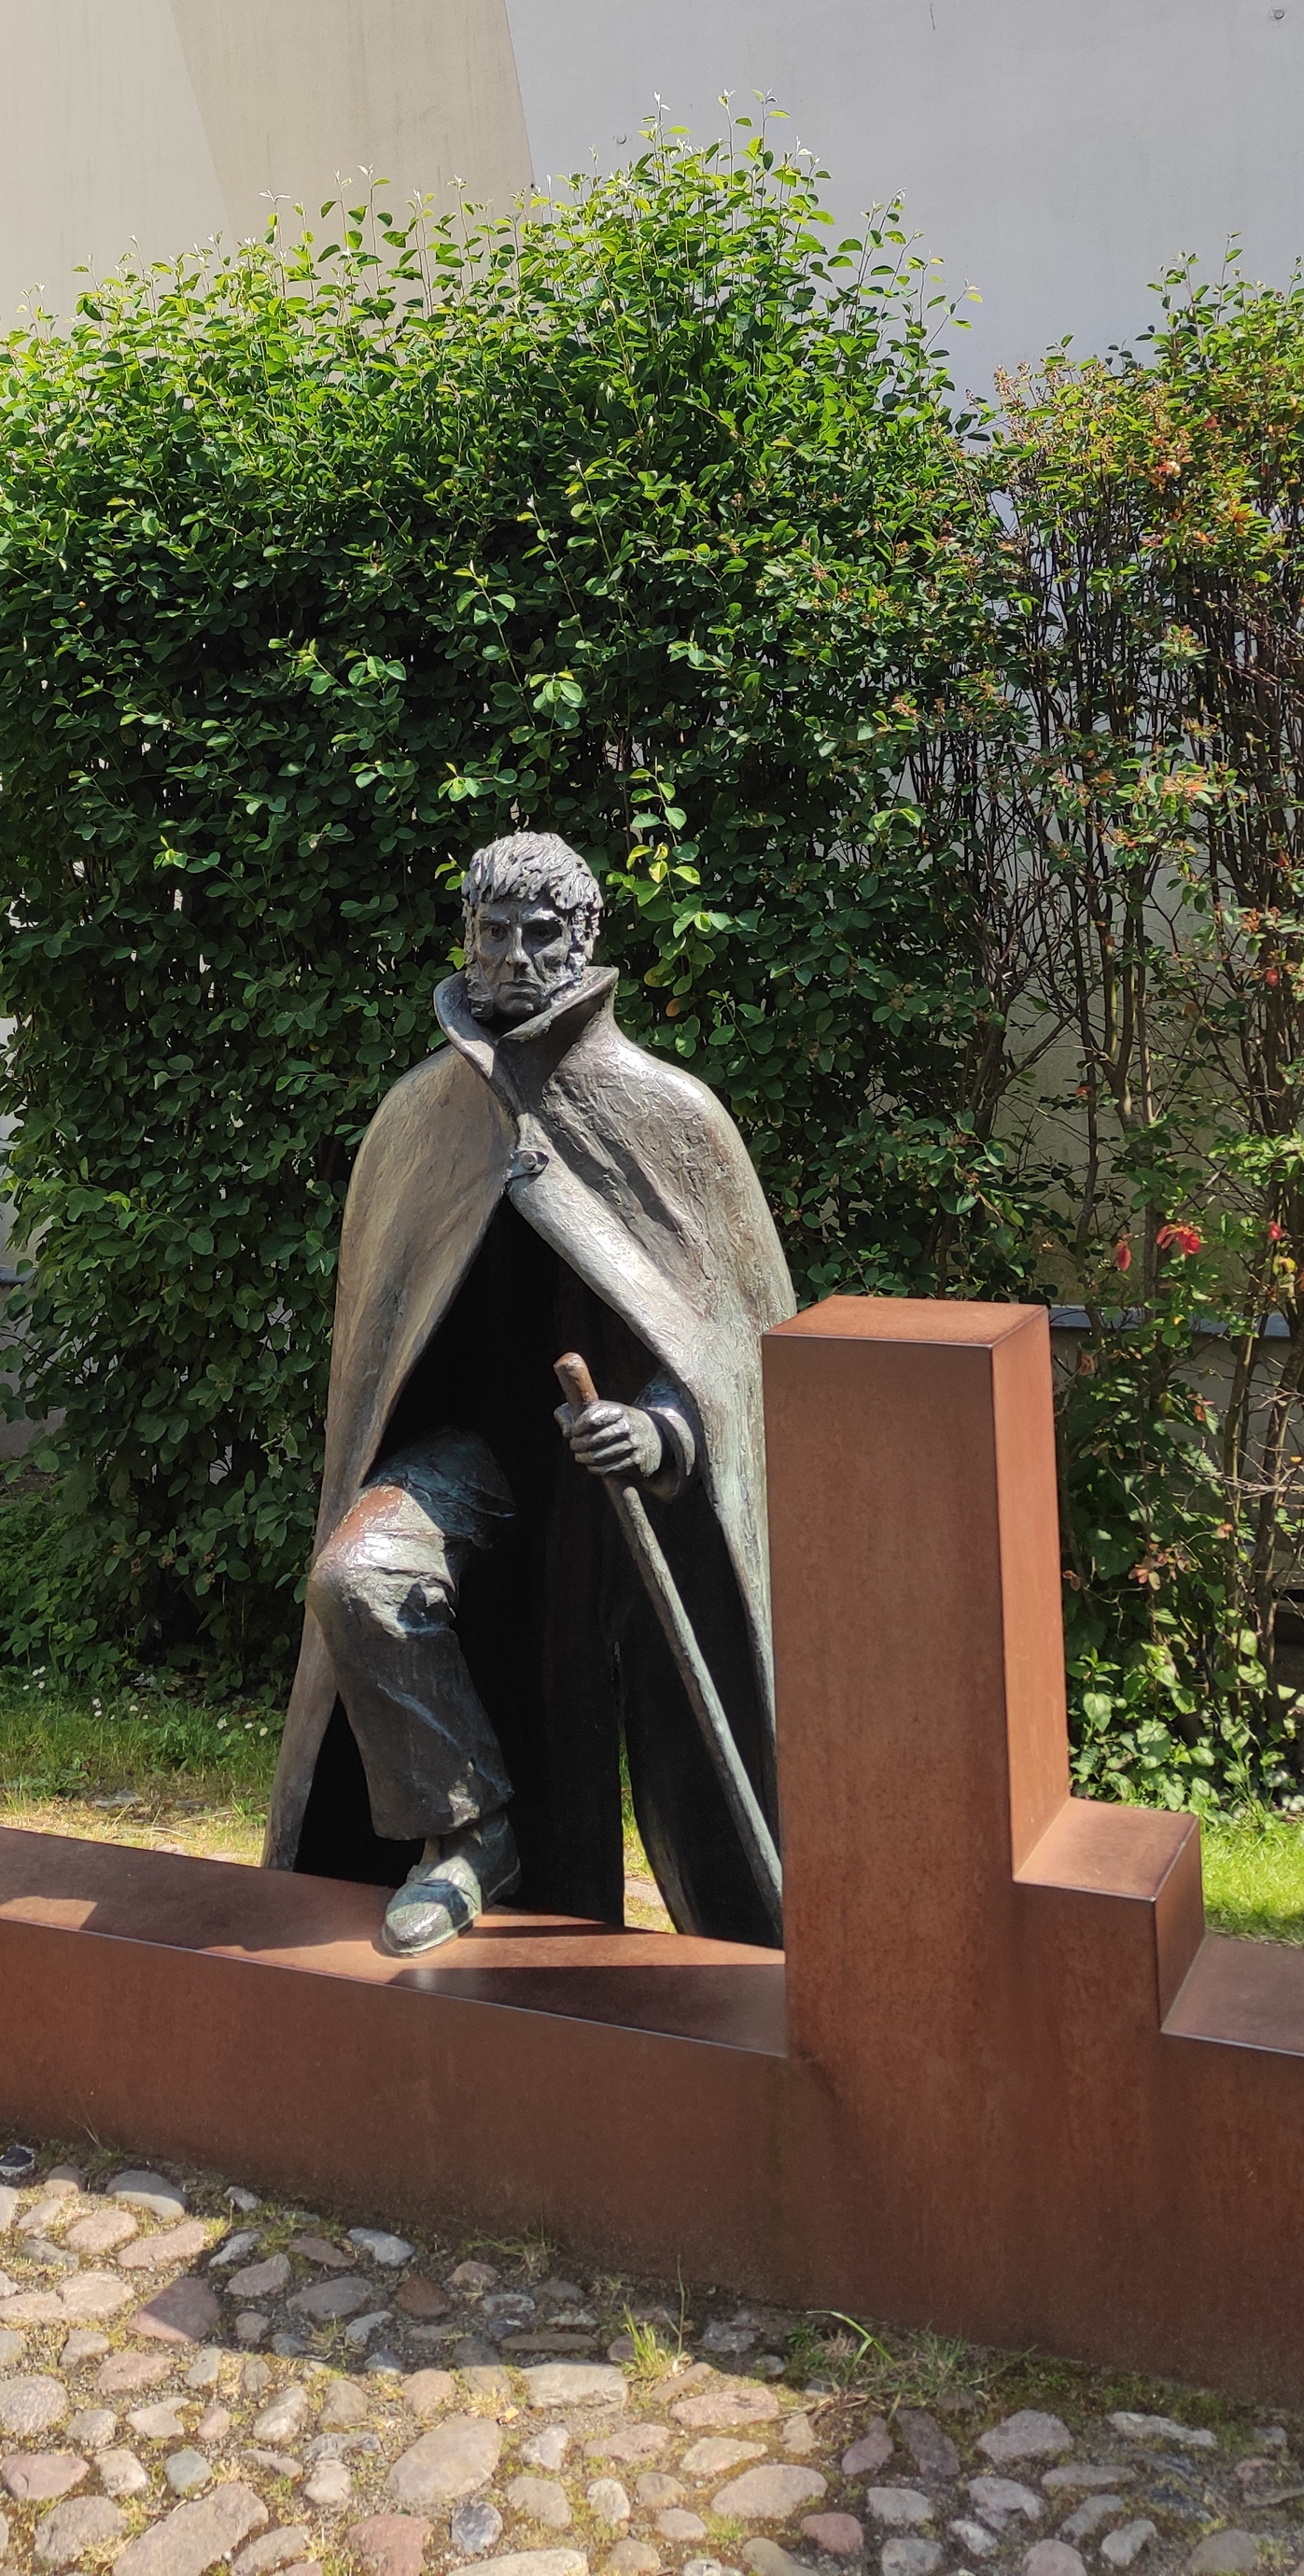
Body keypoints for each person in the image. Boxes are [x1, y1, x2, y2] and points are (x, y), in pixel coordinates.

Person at [263, 829, 793, 1954]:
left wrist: (664, 1429)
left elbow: (737, 1344)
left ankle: (753, 1933)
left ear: (584, 938)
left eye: (540, 933)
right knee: (358, 1582)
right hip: (467, 1459)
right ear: (466, 935)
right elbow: (379, 1345)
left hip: (616, 1482)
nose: (512, 956)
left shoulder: (671, 1115)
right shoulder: (419, 1118)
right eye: (493, 931)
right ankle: (467, 1830)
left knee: (661, 1726)